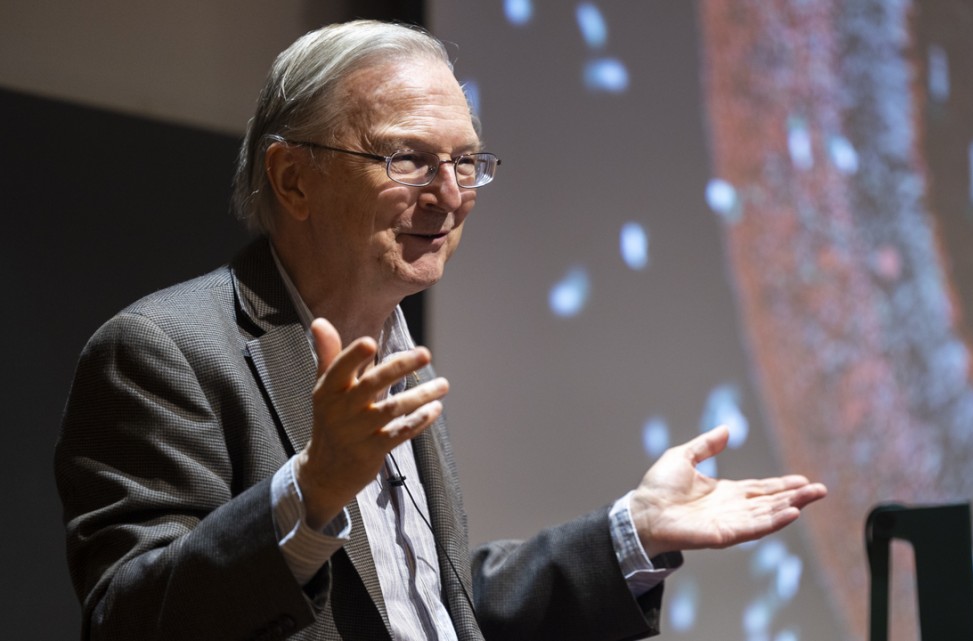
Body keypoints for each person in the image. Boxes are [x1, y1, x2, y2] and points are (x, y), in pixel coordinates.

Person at [55, 20, 827, 641]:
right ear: (293, 177)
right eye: (409, 161)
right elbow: (127, 617)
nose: (451, 196)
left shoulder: (399, 354)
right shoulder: (162, 351)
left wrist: (632, 532)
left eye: (466, 161)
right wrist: (311, 490)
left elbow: (430, 605)